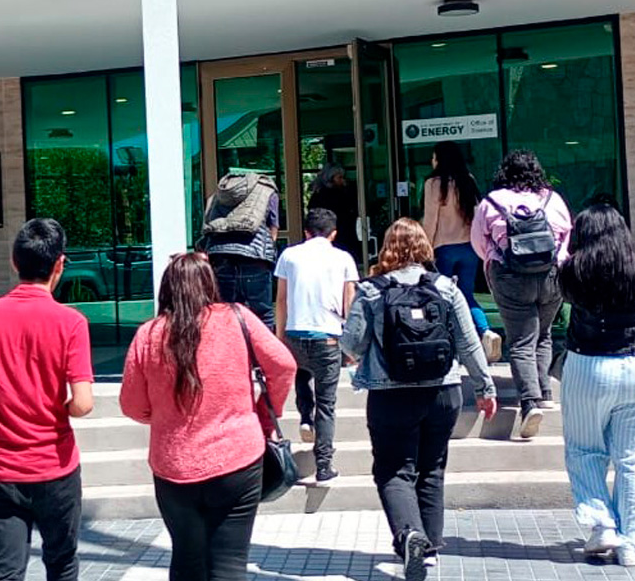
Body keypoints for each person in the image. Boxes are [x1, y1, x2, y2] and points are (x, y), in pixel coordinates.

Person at [120, 252, 295, 581]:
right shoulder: (237, 318)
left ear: (167, 289)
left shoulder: (149, 334)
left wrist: (162, 415)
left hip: (174, 465)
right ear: (210, 284)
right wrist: (264, 413)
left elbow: (131, 405)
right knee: (229, 563)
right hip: (238, 458)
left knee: (186, 561)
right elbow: (283, 365)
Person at [341, 218, 497, 581]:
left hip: (391, 395)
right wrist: (485, 388)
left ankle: (409, 534)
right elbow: (468, 342)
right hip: (443, 392)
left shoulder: (372, 290)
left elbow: (352, 345)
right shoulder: (446, 287)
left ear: (387, 248)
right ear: (425, 247)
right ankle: (430, 550)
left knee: (394, 470)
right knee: (432, 468)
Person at [0, 218, 94, 581]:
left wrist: (0, 390)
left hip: (0, 469)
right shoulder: (71, 322)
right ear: (60, 264)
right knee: (62, 564)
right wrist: (53, 404)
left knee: (6, 573)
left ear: (14, 262)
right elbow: (82, 403)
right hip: (55, 467)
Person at [558, 205, 635, 568]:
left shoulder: (575, 269)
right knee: (634, 461)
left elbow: (560, 300)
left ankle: (602, 523)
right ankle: (631, 542)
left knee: (584, 451)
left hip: (589, 366)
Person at [472, 150, 571, 438]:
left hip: (510, 276)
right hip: (551, 275)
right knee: (544, 333)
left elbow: (478, 242)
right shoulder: (552, 199)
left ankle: (529, 403)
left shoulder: (492, 201)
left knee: (521, 340)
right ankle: (545, 392)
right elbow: (566, 235)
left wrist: (496, 259)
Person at [274, 208, 357, 483]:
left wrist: (280, 336)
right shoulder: (343, 258)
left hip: (295, 332)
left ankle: (304, 417)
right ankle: (323, 465)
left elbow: (281, 300)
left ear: (306, 232)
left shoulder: (289, 255)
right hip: (328, 337)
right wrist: (351, 345)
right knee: (327, 403)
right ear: (334, 234)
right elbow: (349, 304)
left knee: (300, 375)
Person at [422, 141, 502, 360]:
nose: (432, 160)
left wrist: (424, 248)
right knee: (466, 294)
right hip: (469, 247)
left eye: (434, 156)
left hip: (444, 247)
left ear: (440, 159)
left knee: (442, 297)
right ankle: (485, 331)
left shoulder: (434, 183)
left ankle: (450, 343)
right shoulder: (468, 180)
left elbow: (430, 220)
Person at [198, 172, 279, 329]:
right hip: (255, 258)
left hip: (220, 258)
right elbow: (273, 230)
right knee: (262, 315)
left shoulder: (218, 195)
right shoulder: (267, 190)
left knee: (226, 314)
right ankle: (262, 345)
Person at [307, 162, 360, 264]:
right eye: (339, 177)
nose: (342, 180)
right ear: (330, 178)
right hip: (337, 233)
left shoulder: (320, 194)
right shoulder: (331, 195)